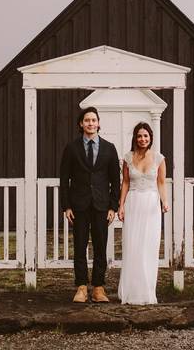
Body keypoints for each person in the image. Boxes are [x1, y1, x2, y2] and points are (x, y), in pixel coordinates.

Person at [59, 106, 121, 303]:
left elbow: (115, 180)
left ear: (99, 123)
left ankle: (99, 288)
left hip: (102, 206)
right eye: (87, 120)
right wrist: (66, 206)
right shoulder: (71, 148)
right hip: (79, 205)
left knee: (101, 246)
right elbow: (64, 179)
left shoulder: (109, 148)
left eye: (94, 120)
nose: (91, 123)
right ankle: (81, 287)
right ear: (81, 124)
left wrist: (113, 206)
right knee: (79, 246)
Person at [117, 121, 169, 305]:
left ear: (150, 138)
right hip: (133, 203)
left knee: (148, 247)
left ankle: (147, 292)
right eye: (139, 136)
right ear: (135, 138)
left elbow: (161, 183)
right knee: (132, 246)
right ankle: (130, 292)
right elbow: (125, 183)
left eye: (145, 136)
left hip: (151, 205)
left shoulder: (159, 158)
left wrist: (164, 202)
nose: (142, 139)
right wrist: (121, 206)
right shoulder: (128, 158)